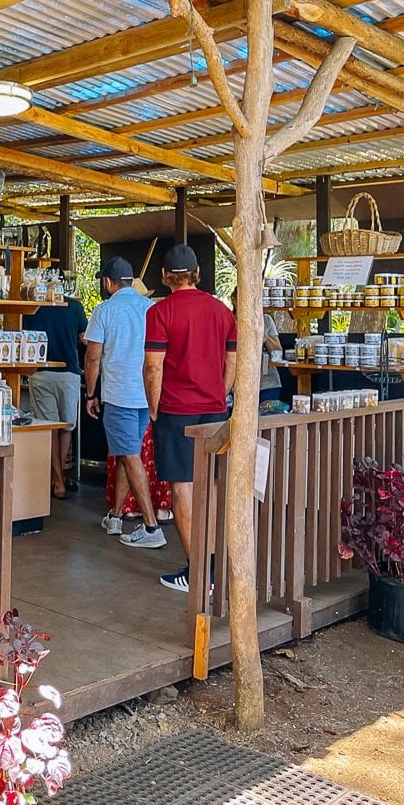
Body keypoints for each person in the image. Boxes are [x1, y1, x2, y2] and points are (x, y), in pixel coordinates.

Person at [143, 244, 236, 593]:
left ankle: (199, 574)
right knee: (210, 485)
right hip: (214, 410)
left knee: (182, 487)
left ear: (166, 276)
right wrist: (219, 393)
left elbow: (153, 366)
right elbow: (233, 363)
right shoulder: (222, 311)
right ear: (197, 273)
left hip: (175, 409)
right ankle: (211, 565)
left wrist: (154, 407)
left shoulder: (160, 312)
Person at [83, 256, 164, 548]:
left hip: (118, 395)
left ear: (107, 282)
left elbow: (93, 358)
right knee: (124, 452)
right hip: (145, 395)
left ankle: (152, 527)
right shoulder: (151, 308)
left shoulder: (103, 311)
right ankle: (115, 517)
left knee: (129, 455)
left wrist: (91, 393)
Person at [24, 292, 87, 499]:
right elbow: (83, 337)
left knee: (49, 427)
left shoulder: (34, 305)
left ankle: (56, 478)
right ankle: (58, 478)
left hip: (39, 372)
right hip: (69, 372)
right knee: (67, 426)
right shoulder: (75, 306)